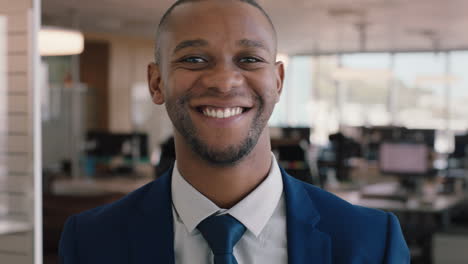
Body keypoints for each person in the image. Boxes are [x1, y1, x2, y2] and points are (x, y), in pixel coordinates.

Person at [59, 0, 410, 263]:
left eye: (249, 59)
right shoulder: (90, 240)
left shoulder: (371, 241)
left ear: (278, 81)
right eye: (194, 59)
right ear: (156, 83)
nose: (225, 82)